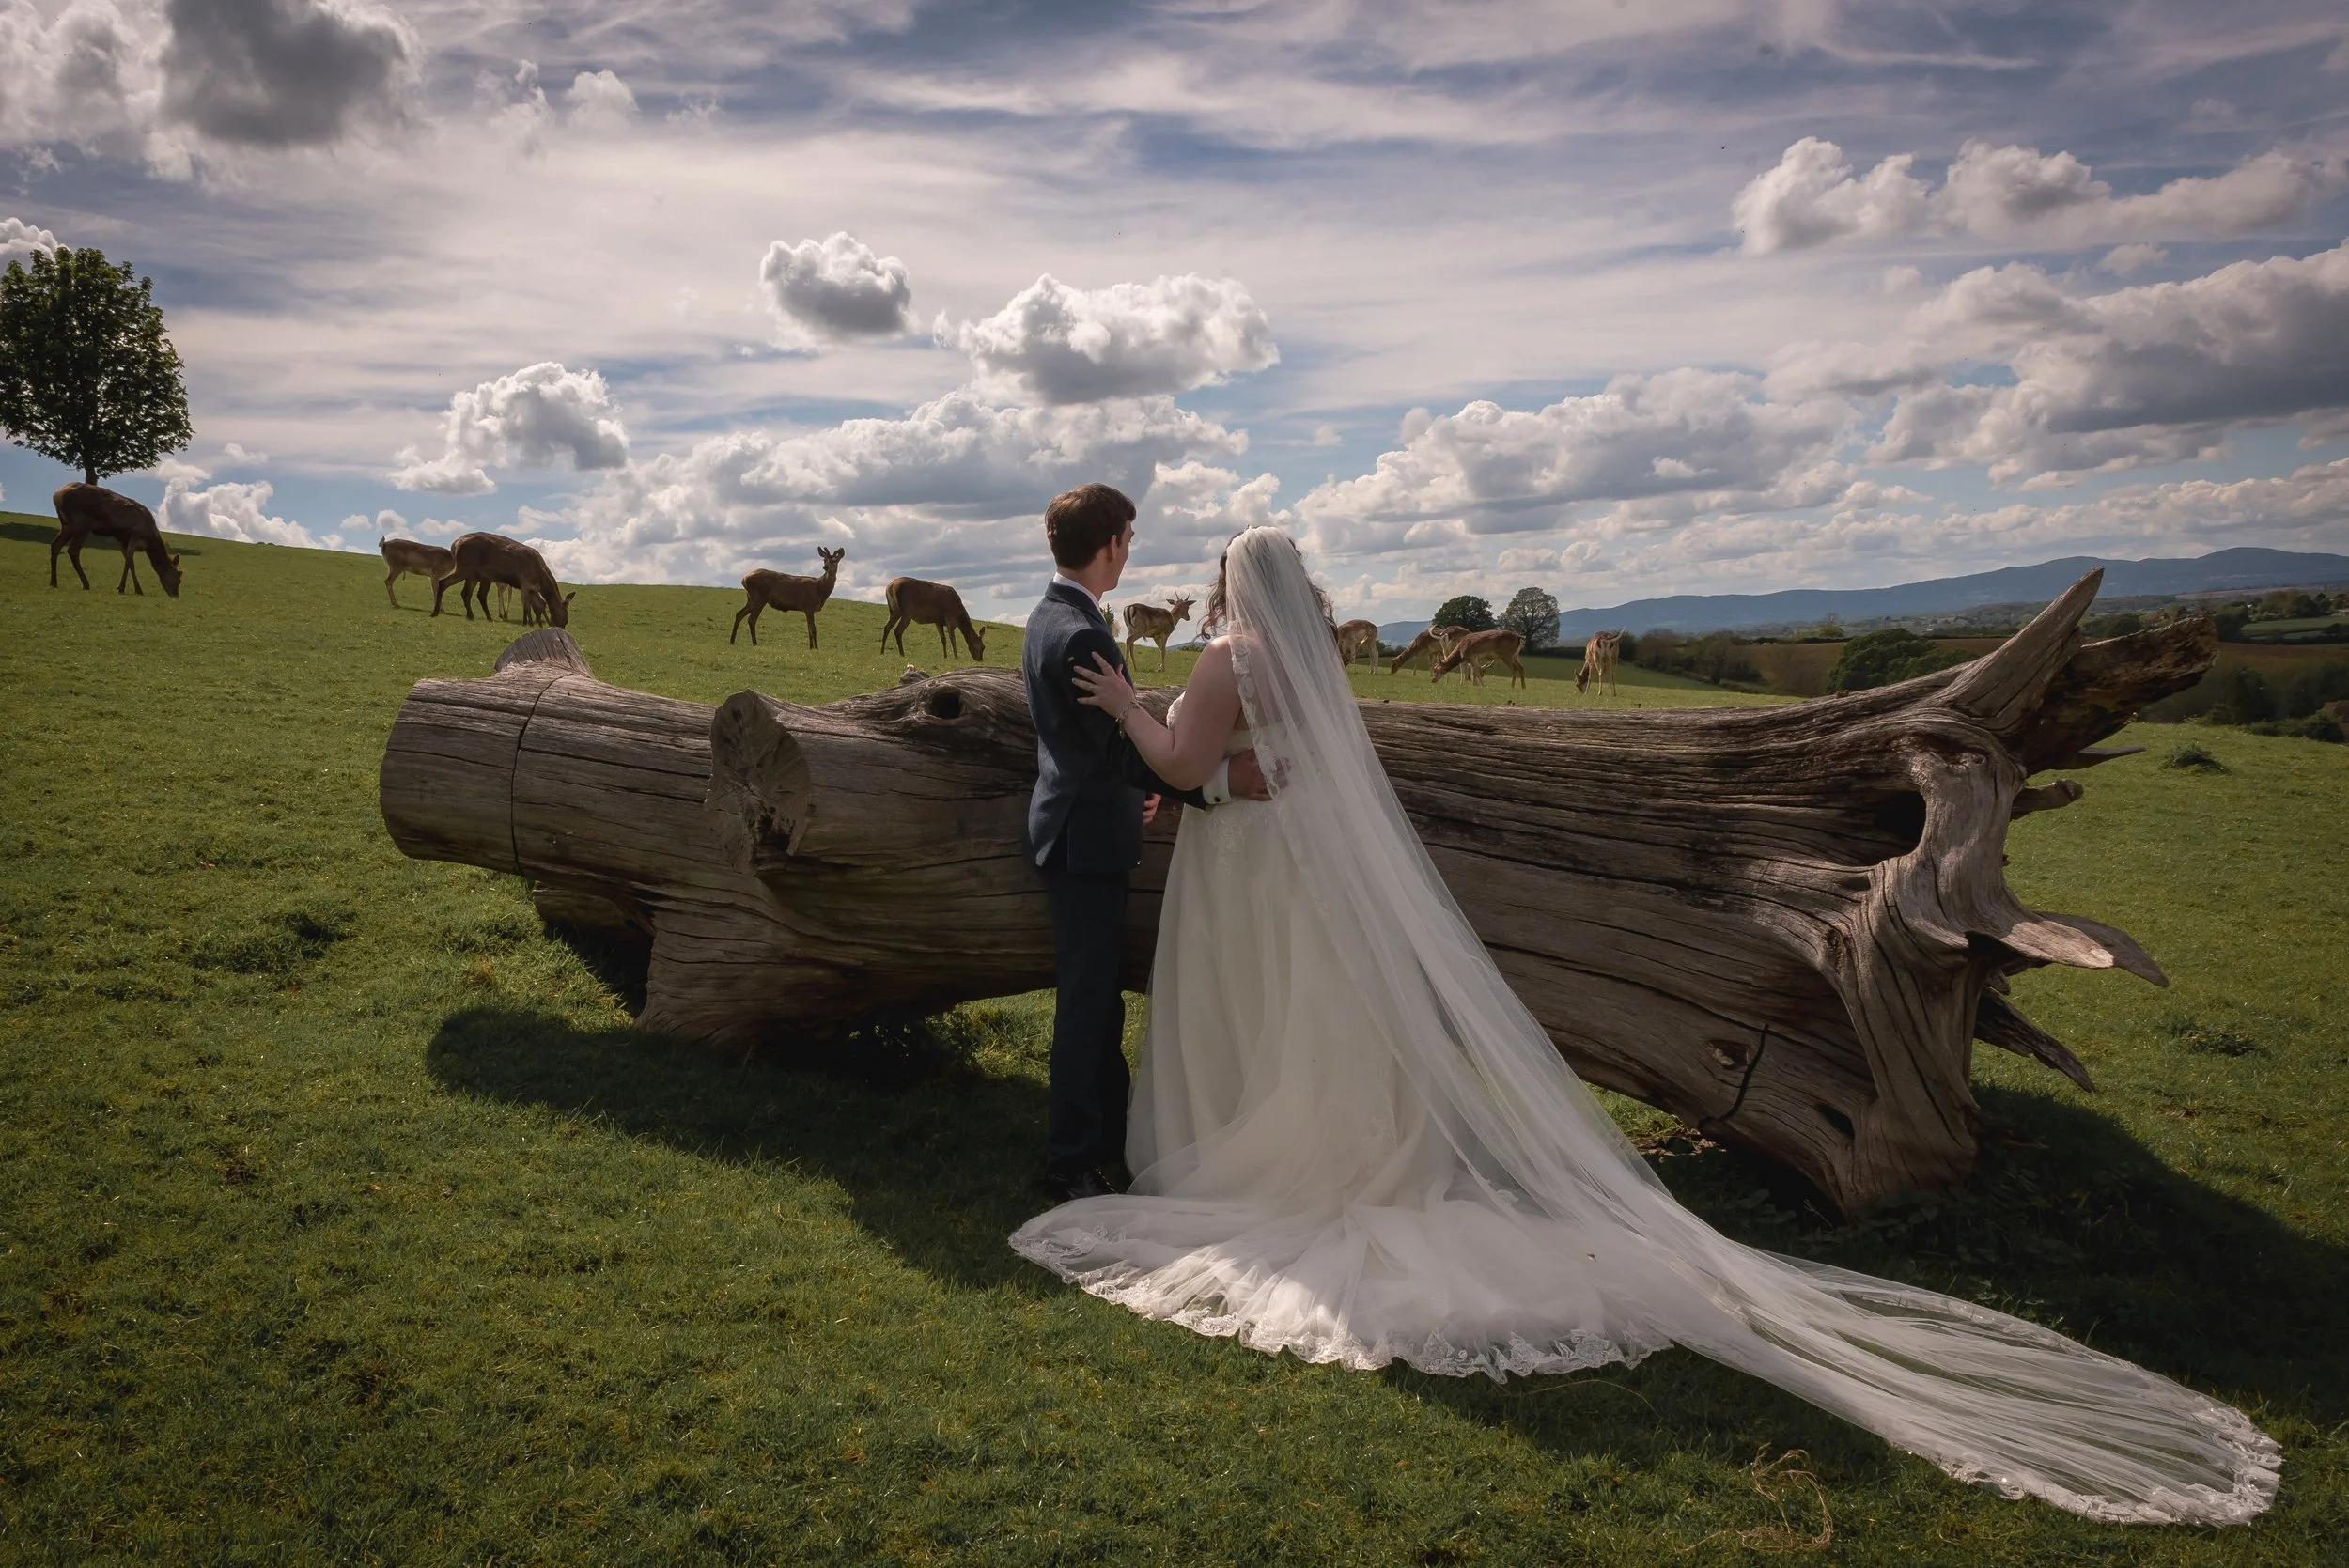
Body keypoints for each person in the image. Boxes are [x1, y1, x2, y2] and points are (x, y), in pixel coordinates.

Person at [1011, 524, 2279, 1527]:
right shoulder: (1318, 658)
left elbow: (1183, 768)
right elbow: (1297, 768)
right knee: (1319, 1020)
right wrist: (1221, 769)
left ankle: (1267, 1160)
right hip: (1303, 871)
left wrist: (1130, 708)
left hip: (1250, 877)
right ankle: (1348, 1155)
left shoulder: (1231, 656)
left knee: (1257, 1014)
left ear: (1233, 584)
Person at [1020, 484, 1268, 1203]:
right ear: (1111, 545)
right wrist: (1216, 781)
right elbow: (1118, 747)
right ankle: (1070, 1163)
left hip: (1082, 824)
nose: (1130, 550)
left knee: (1097, 1004)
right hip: (1085, 841)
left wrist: (1141, 788)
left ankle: (1099, 1142)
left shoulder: (1053, 615)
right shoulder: (1083, 634)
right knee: (1088, 1005)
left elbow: (1095, 746)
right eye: (1128, 537)